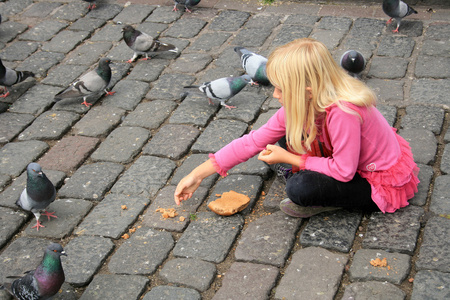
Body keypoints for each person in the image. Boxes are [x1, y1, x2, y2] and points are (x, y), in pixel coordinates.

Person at [174, 38, 420, 218]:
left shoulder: (344, 113)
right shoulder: (305, 103)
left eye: (281, 89)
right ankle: (299, 170)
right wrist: (197, 174)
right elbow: (253, 141)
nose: (275, 94)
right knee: (276, 142)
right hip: (341, 157)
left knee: (299, 188)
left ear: (308, 92)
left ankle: (323, 197)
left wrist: (292, 159)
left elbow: (345, 171)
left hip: (372, 179)